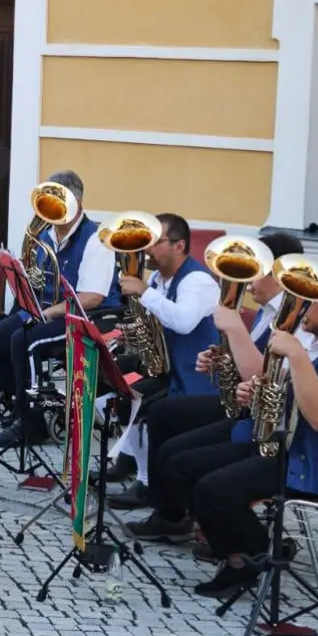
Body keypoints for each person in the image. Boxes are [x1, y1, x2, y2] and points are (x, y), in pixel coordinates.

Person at [129, 271, 318, 598]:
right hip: (285, 446)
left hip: (315, 463)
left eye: (310, 301)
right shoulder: (317, 344)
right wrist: (255, 392)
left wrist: (297, 356)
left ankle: (251, 557)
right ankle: (248, 554)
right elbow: (289, 393)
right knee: (188, 465)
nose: (300, 307)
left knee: (213, 488)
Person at [107, 231, 304, 512]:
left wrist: (235, 329)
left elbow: (264, 377)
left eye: (256, 272)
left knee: (170, 436)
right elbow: (252, 362)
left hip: (258, 420)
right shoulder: (266, 311)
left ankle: (171, 509)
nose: (248, 283)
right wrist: (219, 359)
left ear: (278, 274)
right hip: (241, 404)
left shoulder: (286, 316)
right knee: (161, 414)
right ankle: (159, 500)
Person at [0, 170, 119, 448]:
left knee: (25, 342)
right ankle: (21, 398)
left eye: (59, 202)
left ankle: (32, 427)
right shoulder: (45, 234)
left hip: (81, 317)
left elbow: (91, 297)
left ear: (77, 202)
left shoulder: (96, 239)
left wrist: (50, 312)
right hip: (44, 310)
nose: (52, 210)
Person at [99, 213, 220, 507]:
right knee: (105, 381)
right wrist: (132, 331)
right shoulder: (157, 278)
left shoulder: (198, 281)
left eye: (155, 241)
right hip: (167, 366)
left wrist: (145, 293)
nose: (147, 247)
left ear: (179, 246)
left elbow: (184, 322)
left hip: (196, 376)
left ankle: (146, 482)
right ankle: (129, 457)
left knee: (139, 403)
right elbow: (156, 320)